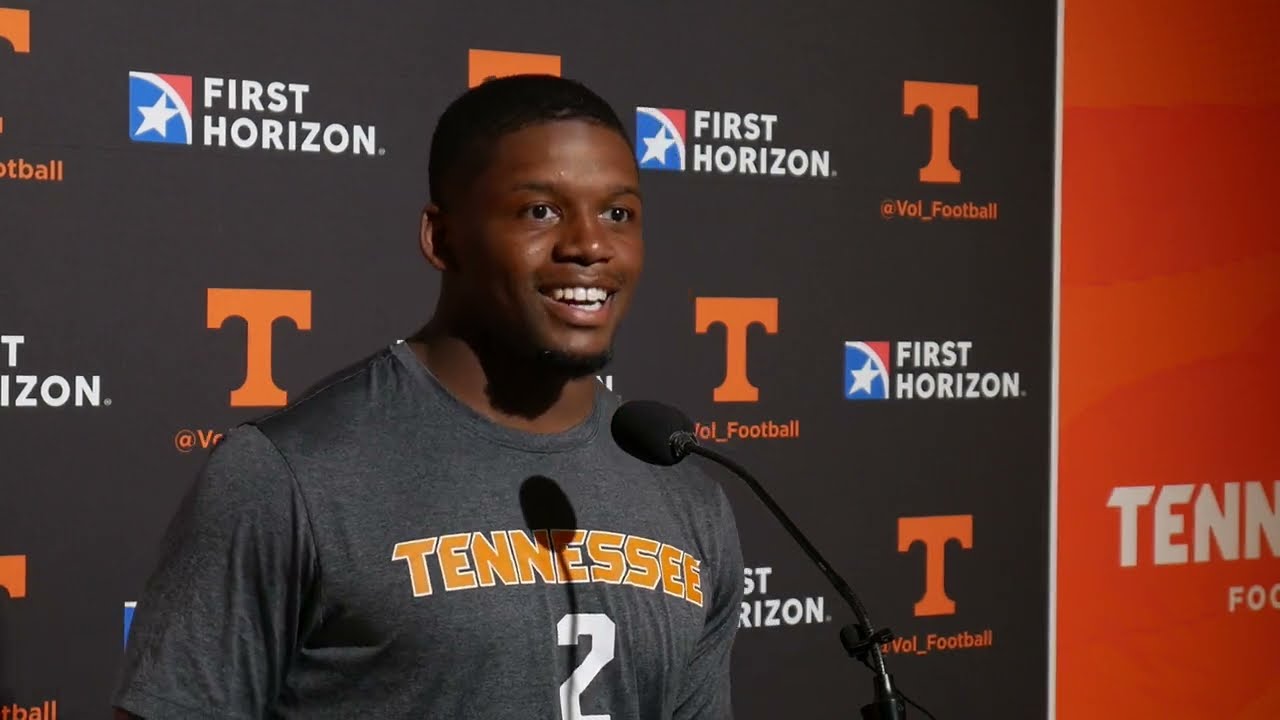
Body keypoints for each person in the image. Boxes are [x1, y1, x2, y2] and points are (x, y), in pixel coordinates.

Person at [111, 74, 745, 720]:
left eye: (618, 214)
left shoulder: (687, 498)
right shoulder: (289, 477)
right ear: (441, 239)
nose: (589, 244)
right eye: (540, 211)